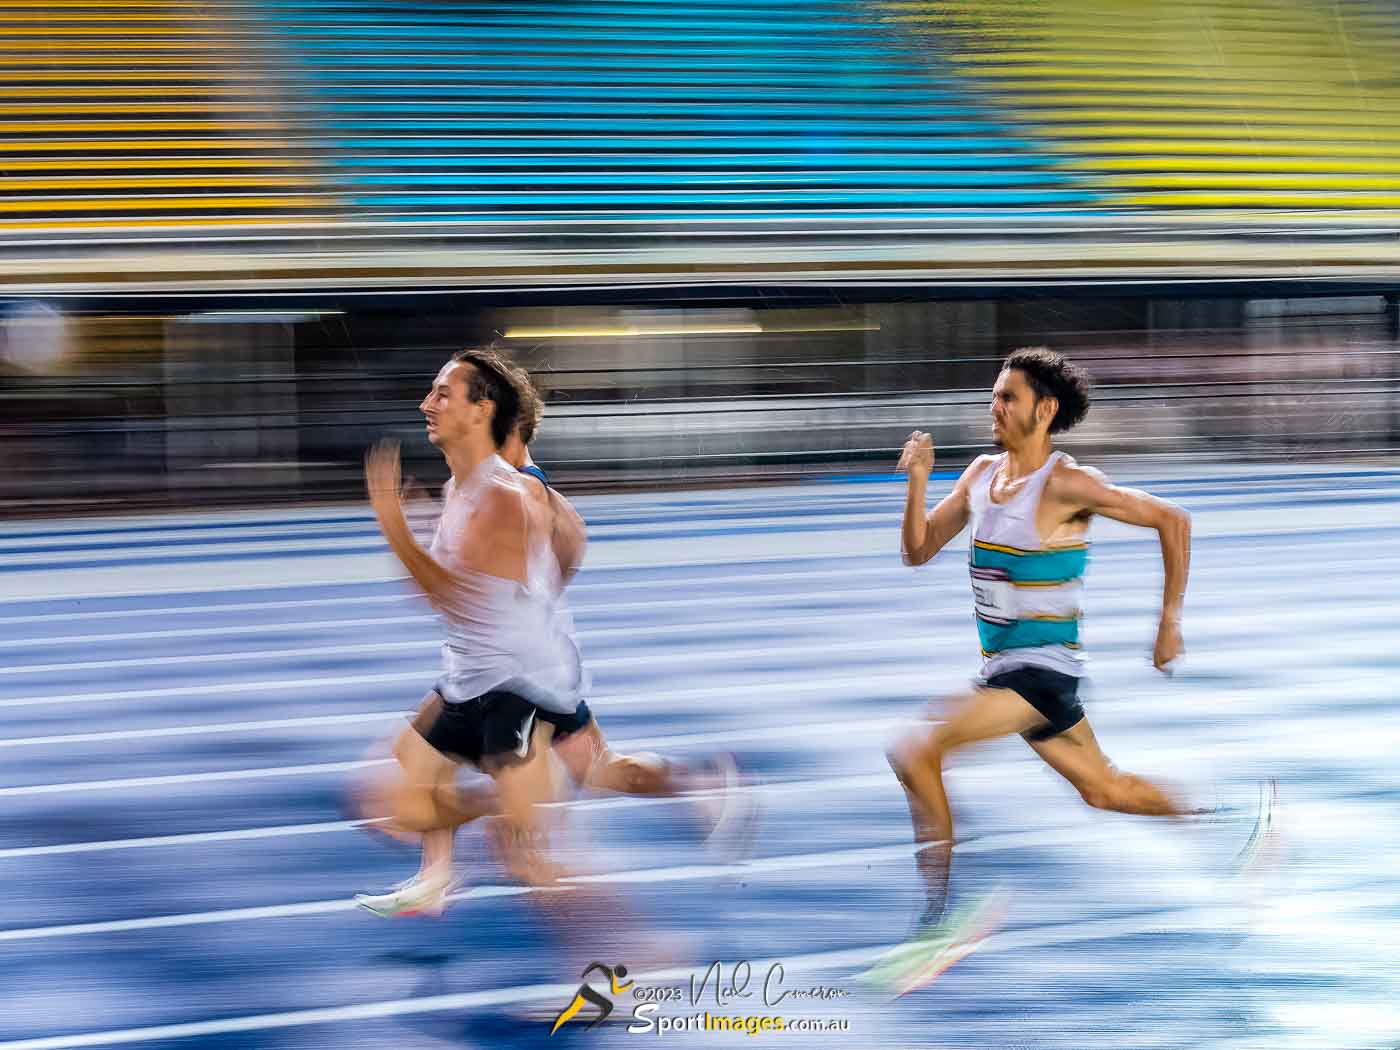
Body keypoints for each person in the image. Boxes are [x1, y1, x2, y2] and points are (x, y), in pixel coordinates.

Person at [870, 348, 1196, 991]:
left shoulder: (1066, 484)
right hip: (1005, 673)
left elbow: (1172, 518)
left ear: (1044, 410)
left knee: (915, 751)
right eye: (993, 396)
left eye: (1006, 397)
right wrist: (918, 481)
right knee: (1105, 790)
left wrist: (1168, 623)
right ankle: (1229, 819)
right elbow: (917, 550)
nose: (993, 407)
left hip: (1041, 675)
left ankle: (939, 922)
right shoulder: (981, 475)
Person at [353, 347, 581, 917]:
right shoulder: (463, 489)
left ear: (482, 410)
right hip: (472, 676)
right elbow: (439, 596)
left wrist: (394, 528)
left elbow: (450, 594)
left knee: (531, 860)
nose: (426, 404)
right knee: (392, 802)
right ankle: (450, 863)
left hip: (519, 685)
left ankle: (610, 976)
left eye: (442, 394)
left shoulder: (504, 496)